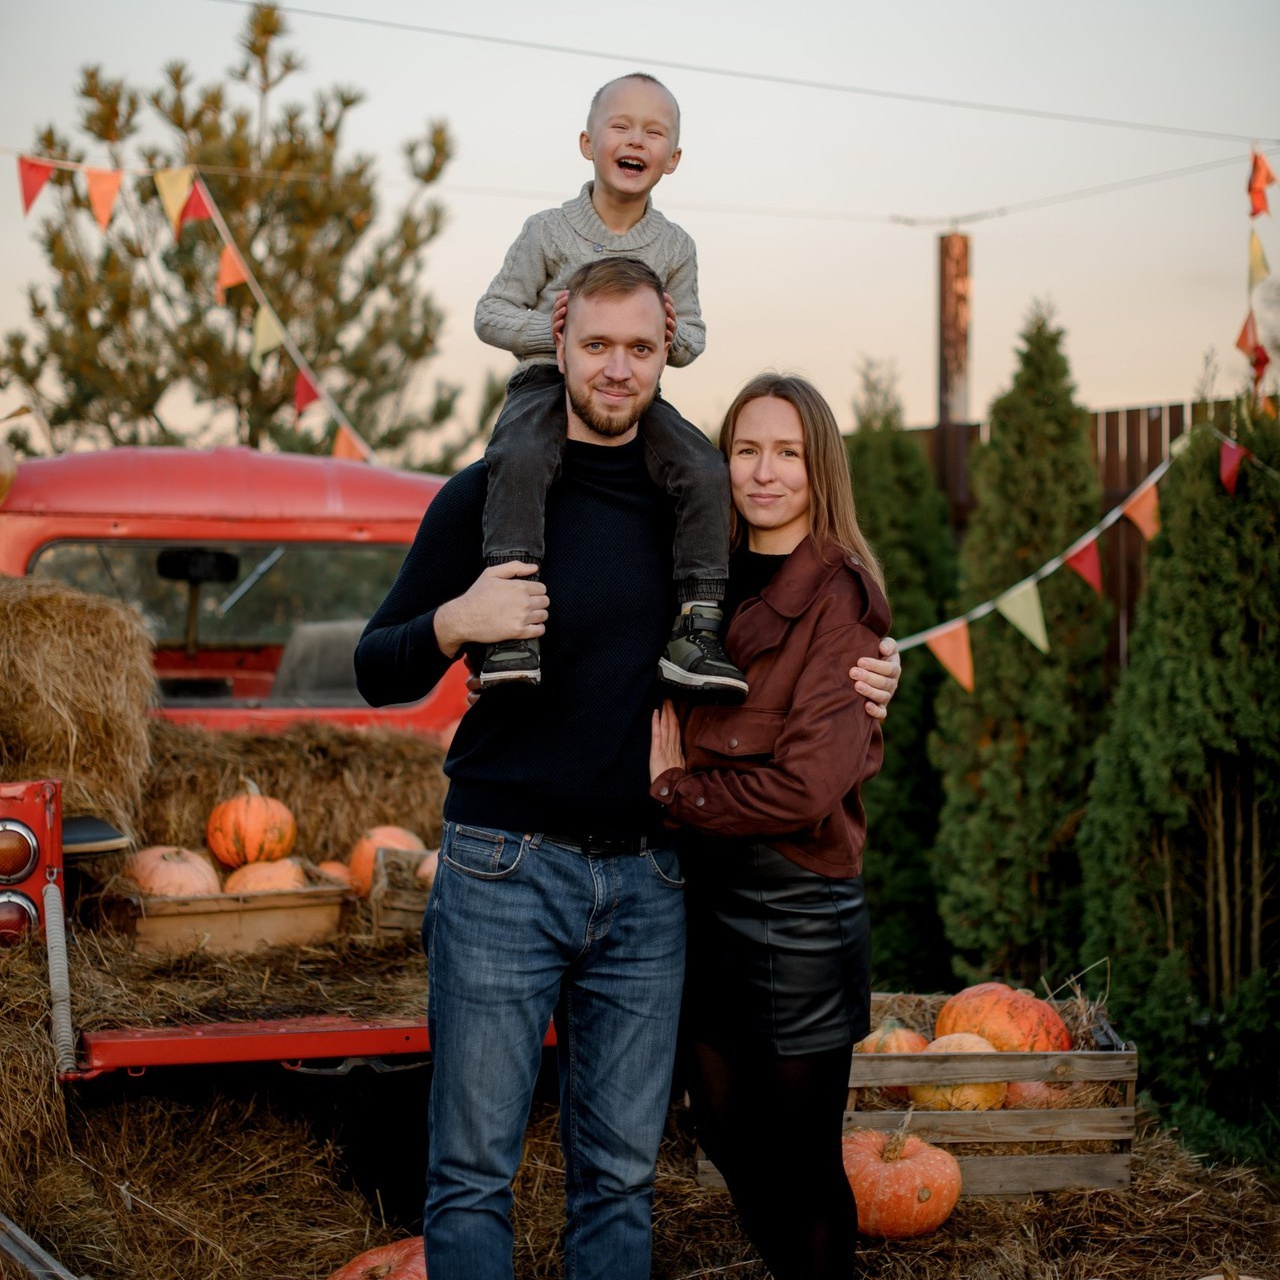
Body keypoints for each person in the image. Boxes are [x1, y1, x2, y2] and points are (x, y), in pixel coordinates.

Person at [354, 260, 899, 1280]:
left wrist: (879, 665)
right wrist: (453, 622)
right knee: (472, 1171)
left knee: (617, 1176)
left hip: (650, 884)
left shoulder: (695, 520)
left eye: (639, 348)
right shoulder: (484, 497)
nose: (617, 367)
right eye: (596, 344)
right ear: (555, 343)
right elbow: (371, 665)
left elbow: (804, 621)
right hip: (501, 869)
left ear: (667, 353)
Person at [649, 373, 891, 1279]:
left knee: (802, 1165)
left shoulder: (842, 598)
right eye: (746, 449)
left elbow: (803, 789)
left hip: (796, 911)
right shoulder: (695, 574)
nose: (764, 471)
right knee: (719, 1127)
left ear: (818, 464)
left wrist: (676, 789)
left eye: (786, 451)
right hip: (702, 900)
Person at [473, 72, 746, 700]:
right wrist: (558, 333)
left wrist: (671, 337)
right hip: (546, 380)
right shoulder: (546, 231)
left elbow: (694, 337)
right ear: (586, 141)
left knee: (704, 466)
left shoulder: (675, 246)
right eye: (620, 125)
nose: (636, 139)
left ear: (672, 159)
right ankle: (510, 624)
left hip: (633, 395)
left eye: (654, 132)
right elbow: (490, 313)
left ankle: (696, 627)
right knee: (519, 455)